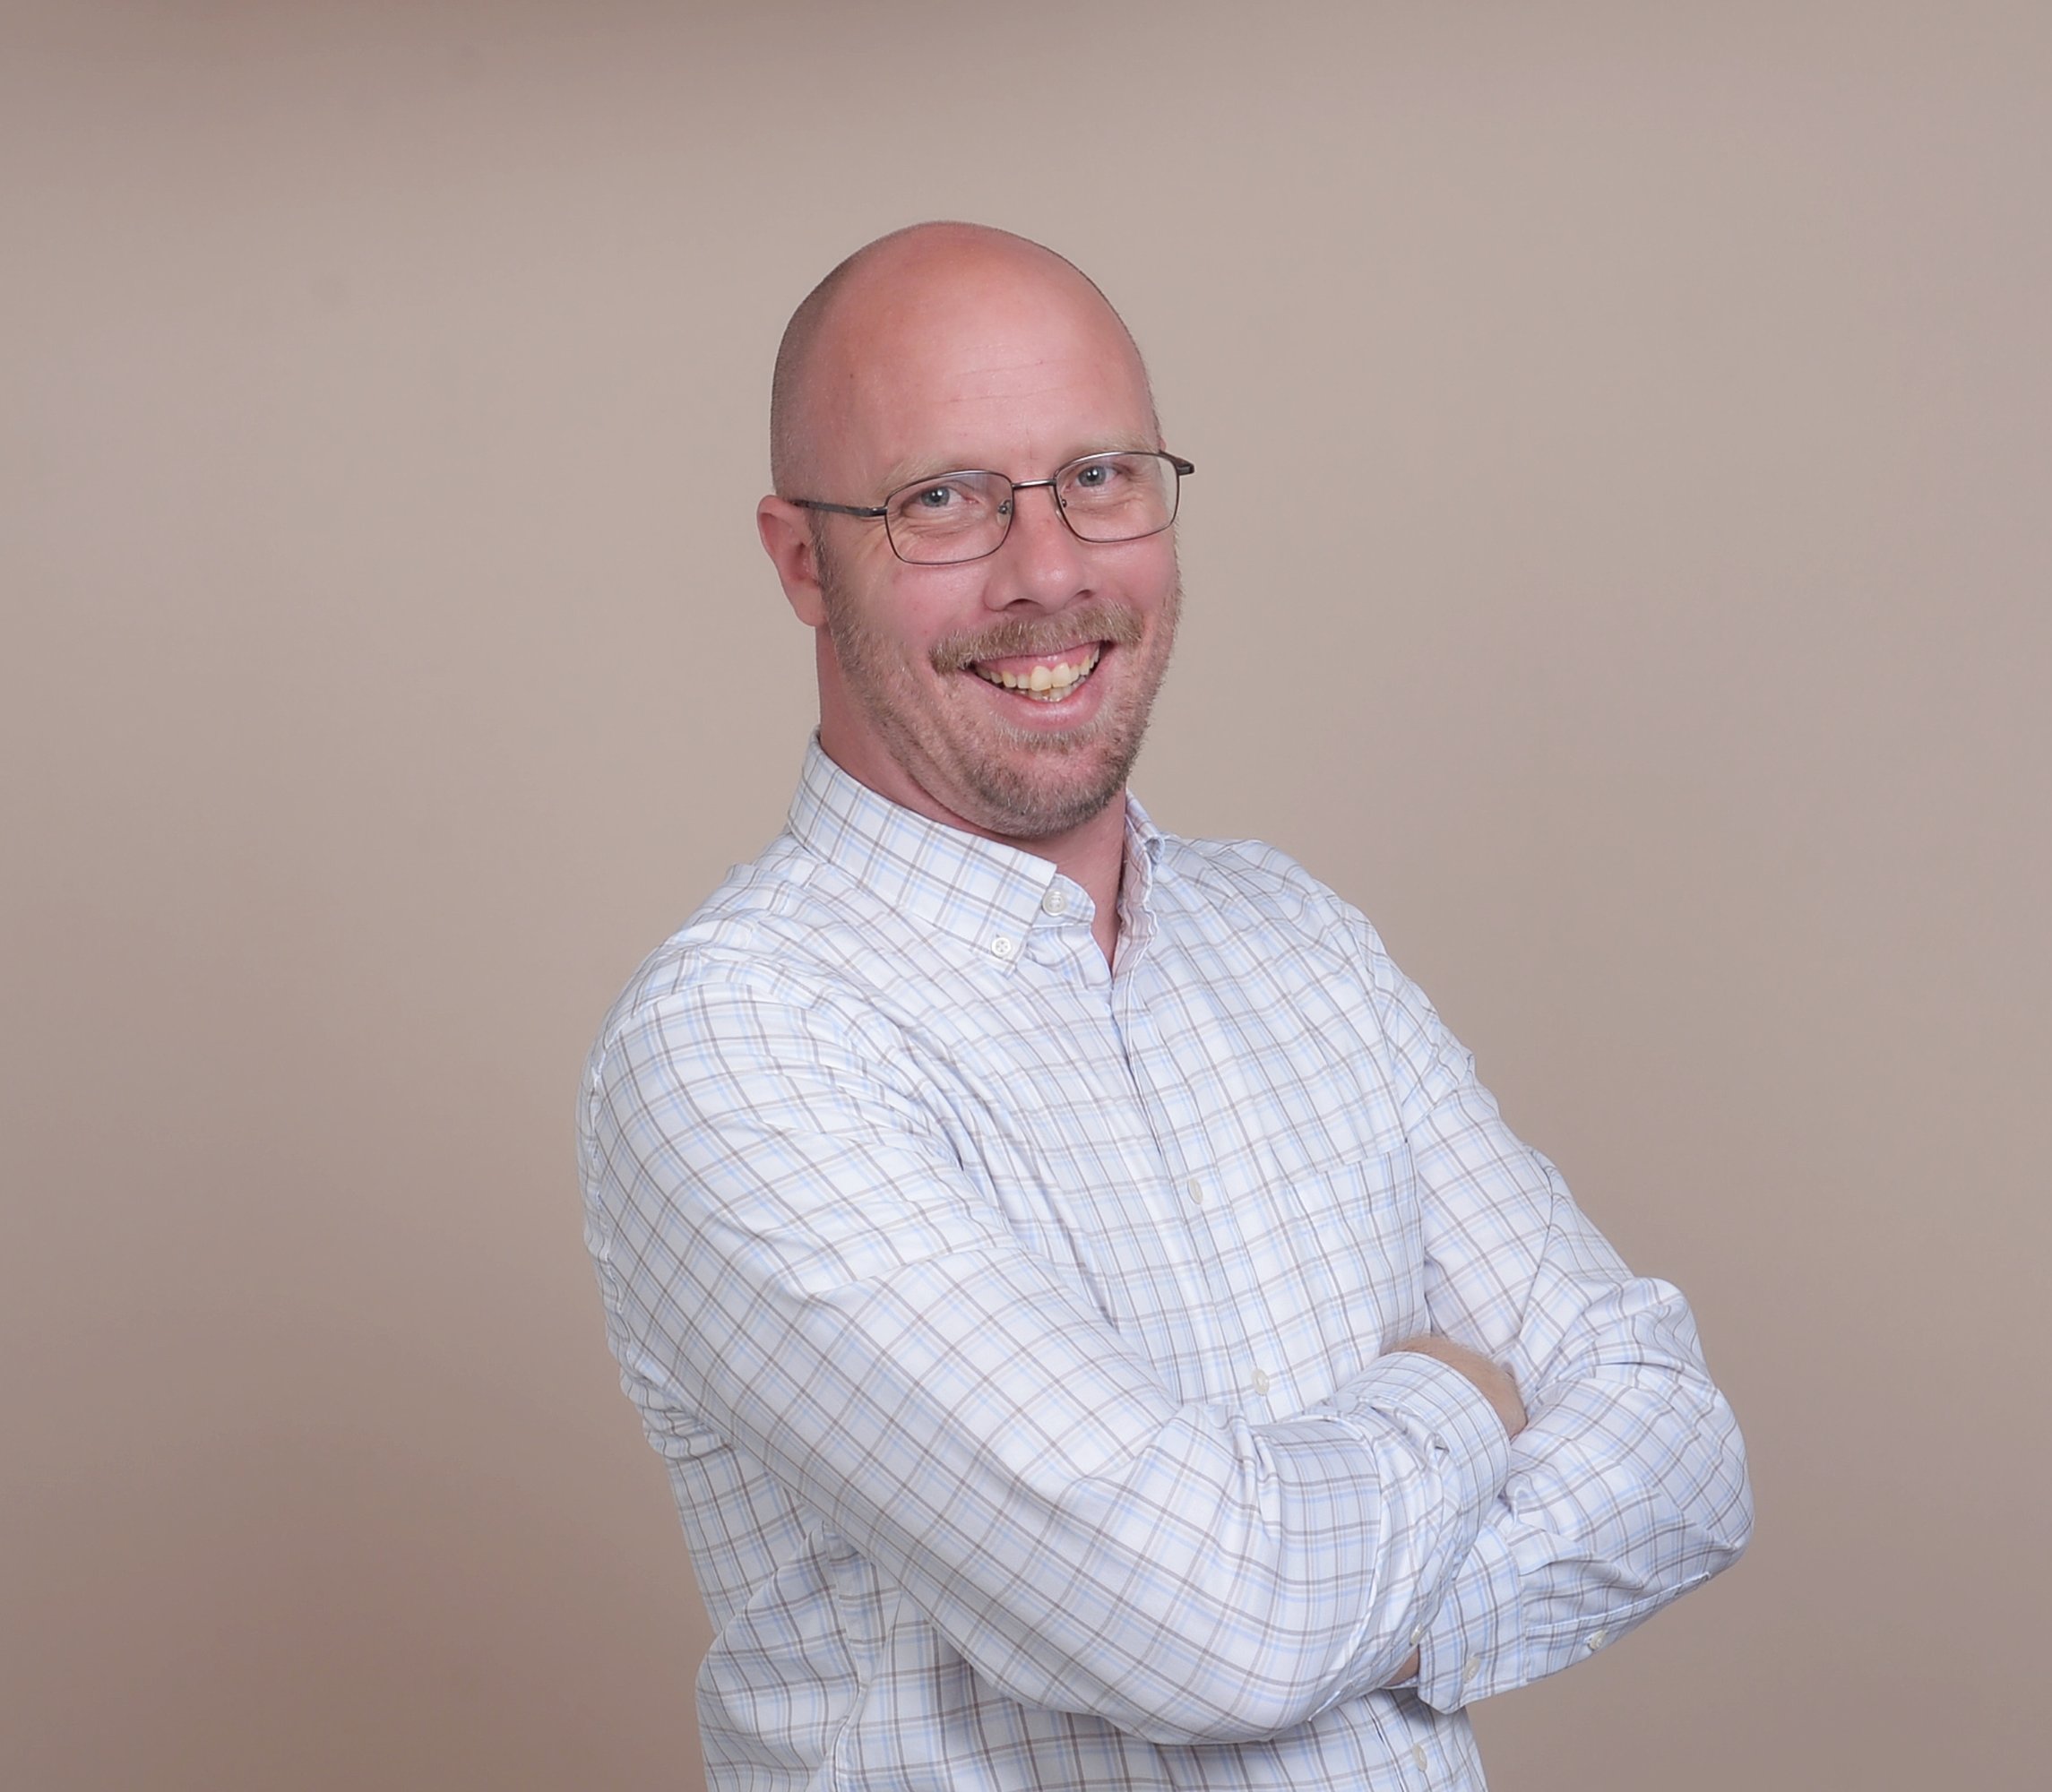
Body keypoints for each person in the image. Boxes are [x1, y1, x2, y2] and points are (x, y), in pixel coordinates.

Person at [577, 221, 1752, 1792]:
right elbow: (1213, 1630)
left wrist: (1344, 1603)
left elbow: (1676, 1439)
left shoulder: (1296, 942)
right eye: (944, 501)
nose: (1050, 569)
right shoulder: (740, 1045)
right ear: (804, 560)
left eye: (1102, 479)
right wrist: (1458, 1397)